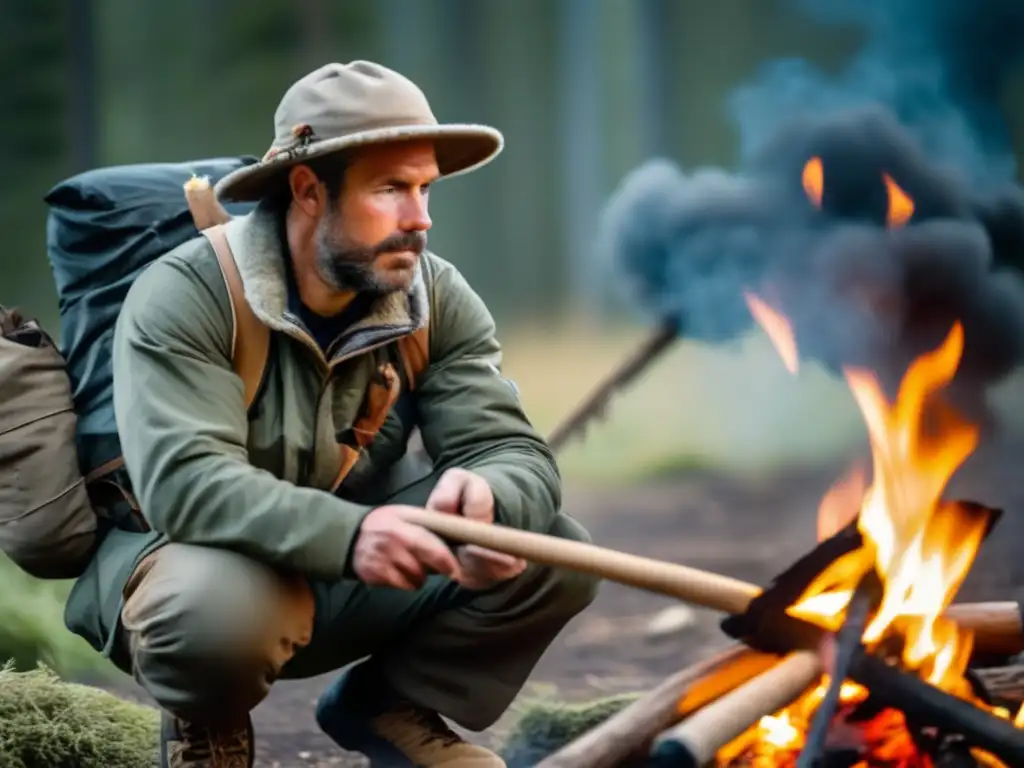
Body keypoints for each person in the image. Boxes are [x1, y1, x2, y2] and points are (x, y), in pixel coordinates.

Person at [62, 61, 599, 768]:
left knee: (553, 549)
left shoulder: (433, 294)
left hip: (341, 563)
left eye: (424, 187)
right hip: (187, 569)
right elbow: (184, 485)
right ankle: (206, 719)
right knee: (217, 619)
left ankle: (387, 707)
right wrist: (354, 536)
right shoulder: (186, 294)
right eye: (391, 190)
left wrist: (493, 494)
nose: (421, 217)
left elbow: (513, 449)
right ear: (309, 190)